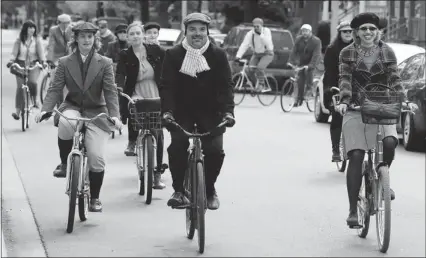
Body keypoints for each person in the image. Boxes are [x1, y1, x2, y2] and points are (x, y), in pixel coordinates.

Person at [336, 13, 418, 227]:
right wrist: (344, 100)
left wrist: (404, 100)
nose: (368, 32)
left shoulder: (387, 51)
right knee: (356, 155)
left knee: (390, 142)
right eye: (364, 29)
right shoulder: (347, 52)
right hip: (355, 107)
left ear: (378, 31)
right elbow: (344, 78)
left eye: (372, 28)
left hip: (382, 106)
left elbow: (395, 78)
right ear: (356, 32)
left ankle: (383, 176)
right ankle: (353, 210)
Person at [35, 22, 122, 212]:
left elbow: (110, 91)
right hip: (73, 106)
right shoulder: (65, 62)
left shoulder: (105, 63)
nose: (86, 40)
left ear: (95, 39)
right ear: (76, 39)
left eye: (90, 36)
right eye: (82, 36)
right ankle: (65, 163)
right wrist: (45, 109)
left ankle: (95, 198)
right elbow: (55, 88)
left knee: (97, 157)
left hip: (97, 111)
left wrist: (115, 116)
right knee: (66, 122)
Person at [159, 12, 235, 210]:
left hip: (212, 112)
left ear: (207, 31)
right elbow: (167, 86)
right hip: (181, 111)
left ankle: (209, 189)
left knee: (215, 151)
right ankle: (179, 190)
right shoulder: (173, 54)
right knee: (178, 145)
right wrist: (167, 111)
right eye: (192, 29)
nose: (197, 34)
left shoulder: (218, 55)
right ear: (186, 31)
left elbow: (226, 86)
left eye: (201, 29)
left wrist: (228, 112)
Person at [115, 22, 167, 189]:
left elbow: (169, 65)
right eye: (132, 34)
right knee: (137, 121)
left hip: (155, 91)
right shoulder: (125, 54)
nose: (135, 36)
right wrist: (119, 86)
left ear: (143, 35)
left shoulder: (155, 50)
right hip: (135, 92)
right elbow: (120, 73)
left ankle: (157, 173)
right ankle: (136, 144)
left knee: (157, 133)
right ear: (128, 38)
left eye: (138, 33)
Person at [322, 21, 353, 162]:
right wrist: (330, 89)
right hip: (335, 85)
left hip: (354, 87)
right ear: (339, 33)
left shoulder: (358, 47)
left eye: (350, 31)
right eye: (345, 31)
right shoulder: (332, 49)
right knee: (337, 116)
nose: (348, 34)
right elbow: (329, 71)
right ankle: (336, 149)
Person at [7, 20, 47, 119]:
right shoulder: (19, 40)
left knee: (32, 82)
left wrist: (43, 61)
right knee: (20, 87)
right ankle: (17, 112)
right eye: (30, 27)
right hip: (20, 64)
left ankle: (35, 101)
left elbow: (41, 53)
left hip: (34, 64)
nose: (32, 30)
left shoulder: (37, 40)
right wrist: (11, 61)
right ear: (25, 29)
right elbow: (14, 53)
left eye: (33, 27)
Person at [288, 24, 322, 106]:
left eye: (306, 31)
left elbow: (316, 54)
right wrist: (291, 61)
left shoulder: (316, 41)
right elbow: (294, 51)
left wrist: (311, 65)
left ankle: (309, 90)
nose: (304, 33)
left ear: (310, 32)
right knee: (300, 79)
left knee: (308, 71)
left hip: (314, 61)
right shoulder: (299, 39)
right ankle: (299, 99)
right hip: (302, 61)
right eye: (303, 31)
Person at [235, 17, 274, 89]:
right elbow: (244, 45)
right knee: (250, 69)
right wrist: (238, 56)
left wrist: (260, 35)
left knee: (259, 68)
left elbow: (269, 44)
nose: (256, 28)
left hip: (267, 54)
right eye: (254, 26)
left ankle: (262, 84)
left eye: (258, 26)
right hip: (256, 54)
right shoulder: (250, 34)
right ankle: (256, 84)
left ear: (261, 26)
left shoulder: (266, 31)